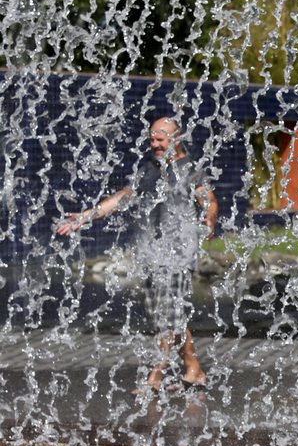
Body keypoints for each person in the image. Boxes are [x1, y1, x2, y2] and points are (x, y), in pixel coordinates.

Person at [57, 117, 218, 390]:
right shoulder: (148, 168)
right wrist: (87, 216)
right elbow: (123, 197)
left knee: (168, 314)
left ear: (175, 140)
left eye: (160, 140)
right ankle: (193, 369)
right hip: (154, 252)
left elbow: (209, 200)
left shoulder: (191, 169)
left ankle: (156, 375)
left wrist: (209, 218)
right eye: (152, 139)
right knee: (169, 314)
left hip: (178, 252)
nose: (154, 144)